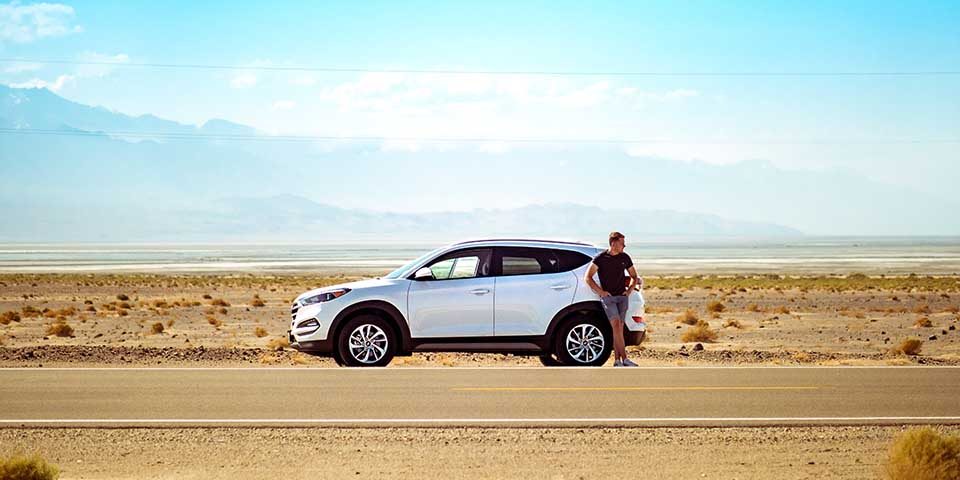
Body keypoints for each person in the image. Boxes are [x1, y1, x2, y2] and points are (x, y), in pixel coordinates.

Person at [584, 231, 640, 367]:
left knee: (619, 328)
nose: (624, 246)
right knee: (616, 325)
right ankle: (624, 359)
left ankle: (617, 360)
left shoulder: (625, 257)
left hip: (622, 298)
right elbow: (588, 277)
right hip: (609, 299)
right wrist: (601, 292)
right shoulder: (600, 258)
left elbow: (634, 276)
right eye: (622, 243)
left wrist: (629, 291)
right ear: (614, 243)